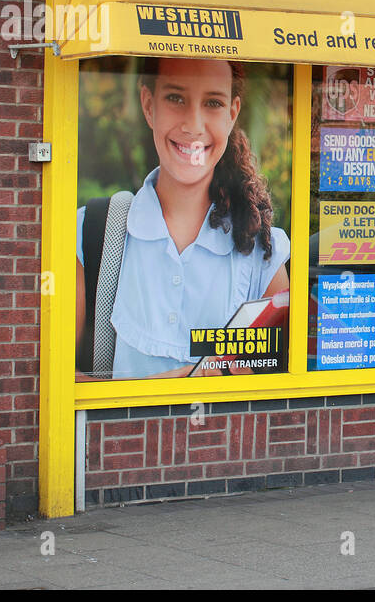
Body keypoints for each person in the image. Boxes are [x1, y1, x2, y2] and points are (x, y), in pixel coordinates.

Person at [75, 57, 289, 379]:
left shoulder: (263, 253)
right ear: (149, 106)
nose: (193, 125)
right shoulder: (92, 233)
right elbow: (49, 384)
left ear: (232, 115)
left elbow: (279, 394)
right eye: (176, 98)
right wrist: (157, 390)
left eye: (213, 103)